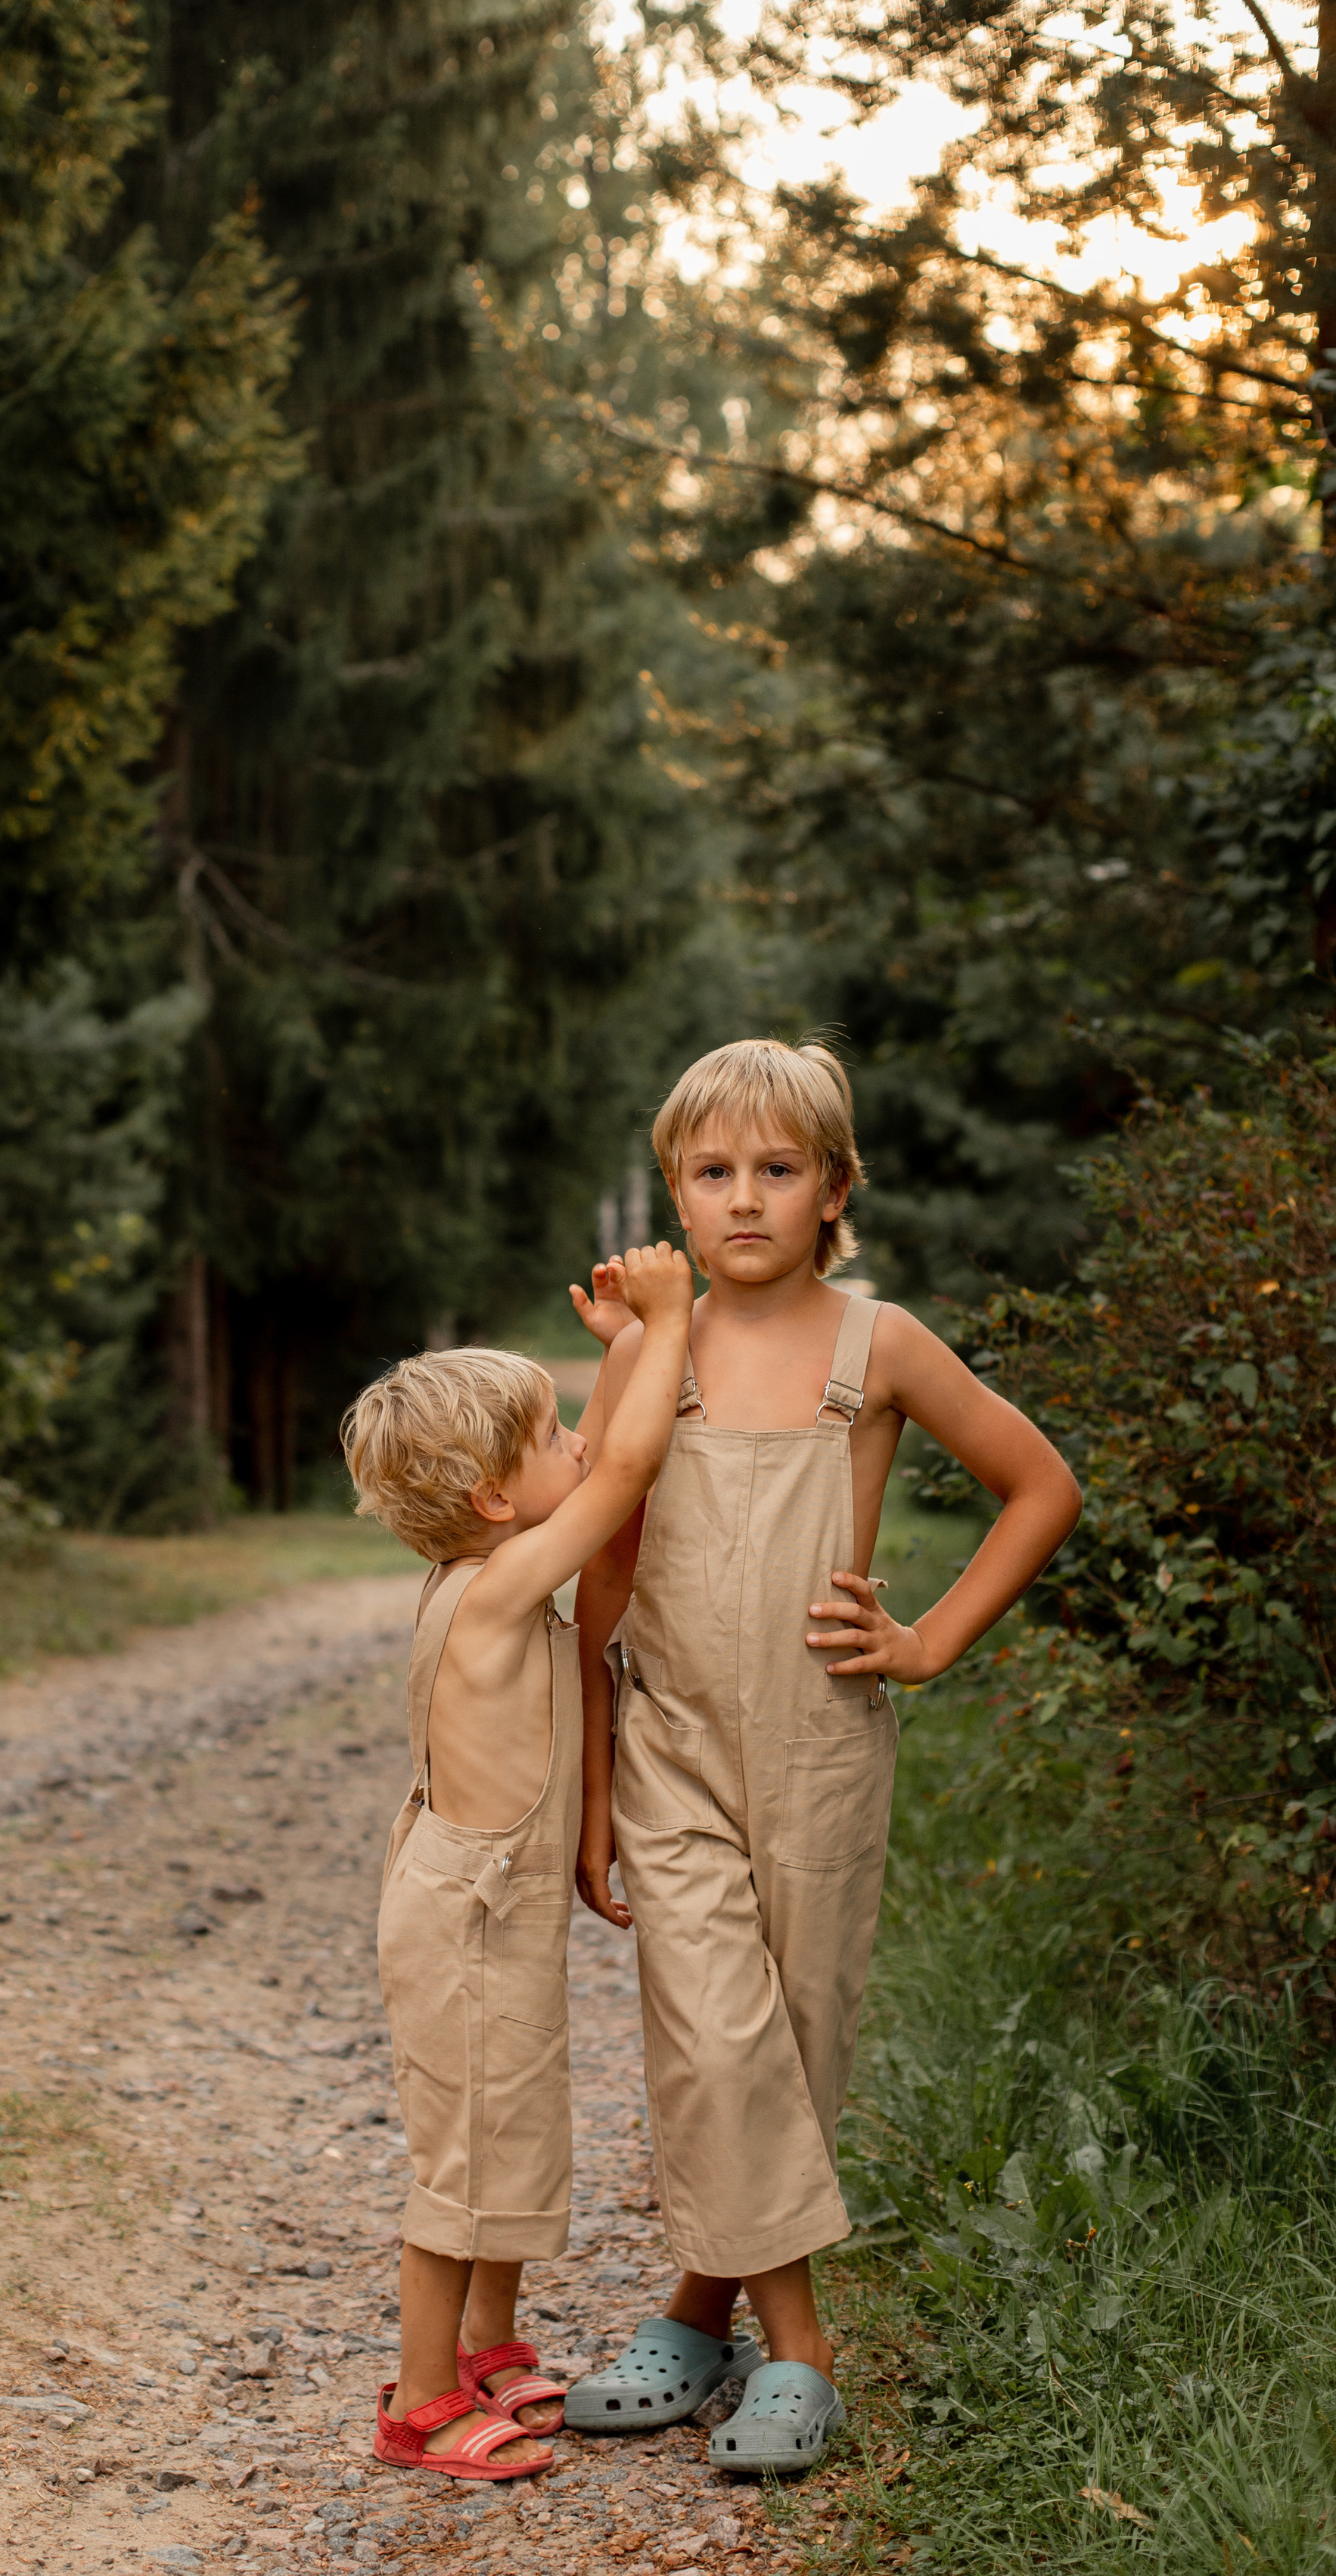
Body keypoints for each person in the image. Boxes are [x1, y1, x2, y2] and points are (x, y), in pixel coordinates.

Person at [561, 1038, 1081, 2473]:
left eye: (777, 1171)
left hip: (823, 1750)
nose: (744, 1200)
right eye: (713, 1172)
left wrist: (926, 1644)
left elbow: (1043, 1485)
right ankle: (803, 2355)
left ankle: (693, 2311)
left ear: (834, 1187)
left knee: (795, 2044)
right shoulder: (644, 1357)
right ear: (673, 1187)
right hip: (669, 1740)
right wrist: (594, 1789)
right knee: (715, 2036)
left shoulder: (881, 1346)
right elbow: (601, 1580)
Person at [341, 1243, 698, 2482]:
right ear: (498, 1497)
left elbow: (592, 1464)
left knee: (517, 2134)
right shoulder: (497, 1590)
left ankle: (488, 2346)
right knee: (466, 2161)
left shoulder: (490, 1559)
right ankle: (422, 2403)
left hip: (497, 1906)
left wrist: (617, 1356)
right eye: (549, 1434)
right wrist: (666, 1320)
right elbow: (631, 1473)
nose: (577, 1446)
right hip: (466, 1916)